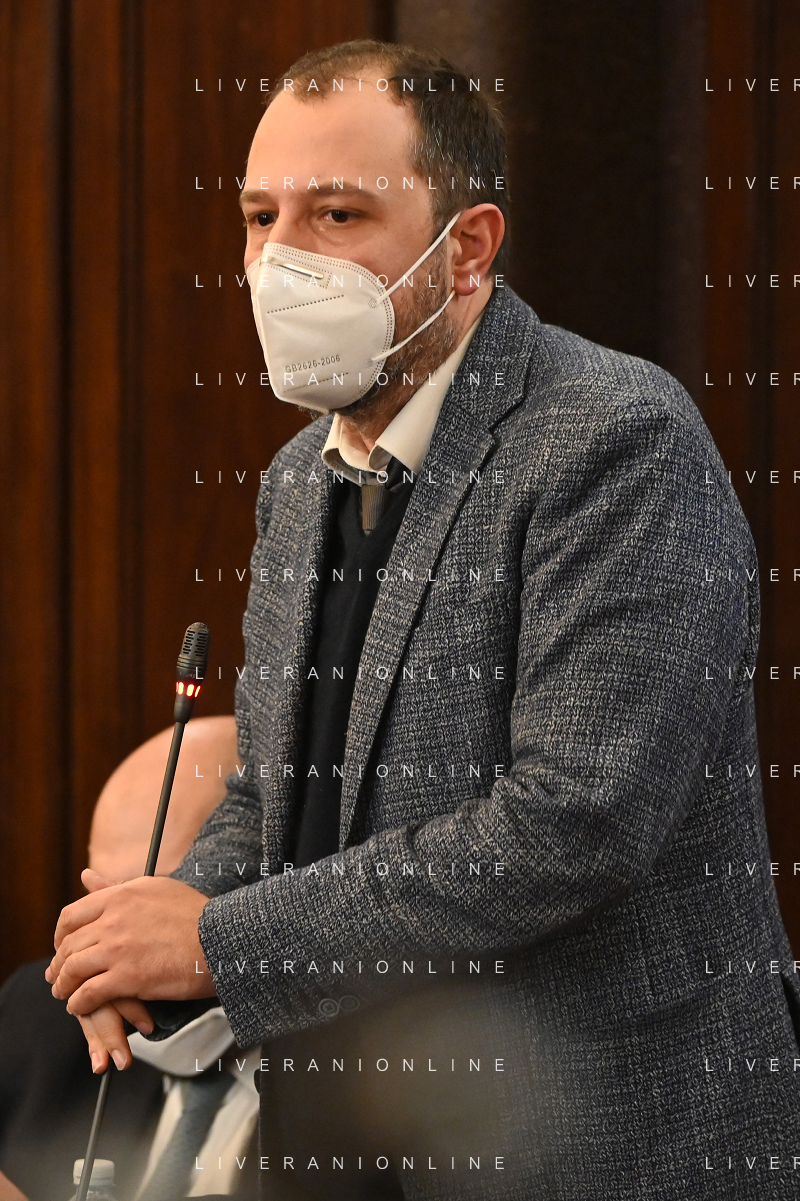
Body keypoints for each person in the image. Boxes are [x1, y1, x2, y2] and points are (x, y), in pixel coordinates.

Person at [45, 39, 800, 1200]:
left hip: (589, 1147)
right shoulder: (298, 479)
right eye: (259, 217)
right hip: (339, 1137)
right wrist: (148, 931)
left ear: (466, 249)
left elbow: (572, 823)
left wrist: (218, 941)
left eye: (338, 213)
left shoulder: (614, 437)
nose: (280, 259)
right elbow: (275, 788)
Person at [0, 718, 260, 1201]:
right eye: (100, 901)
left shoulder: (362, 1070)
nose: (112, 940)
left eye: (146, 901)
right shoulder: (38, 1011)